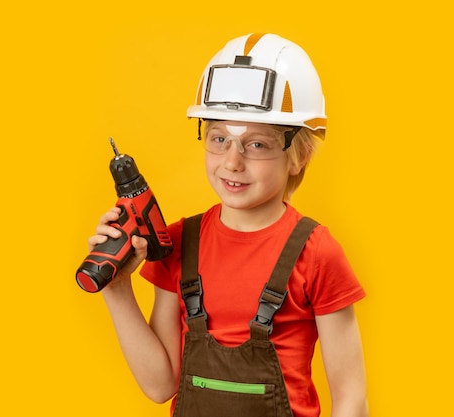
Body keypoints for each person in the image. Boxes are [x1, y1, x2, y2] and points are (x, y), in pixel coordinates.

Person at [86, 33, 368, 417]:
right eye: (219, 138)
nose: (232, 162)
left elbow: (351, 400)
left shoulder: (316, 252)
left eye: (257, 144)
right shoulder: (180, 243)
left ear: (298, 154)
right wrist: (116, 290)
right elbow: (159, 385)